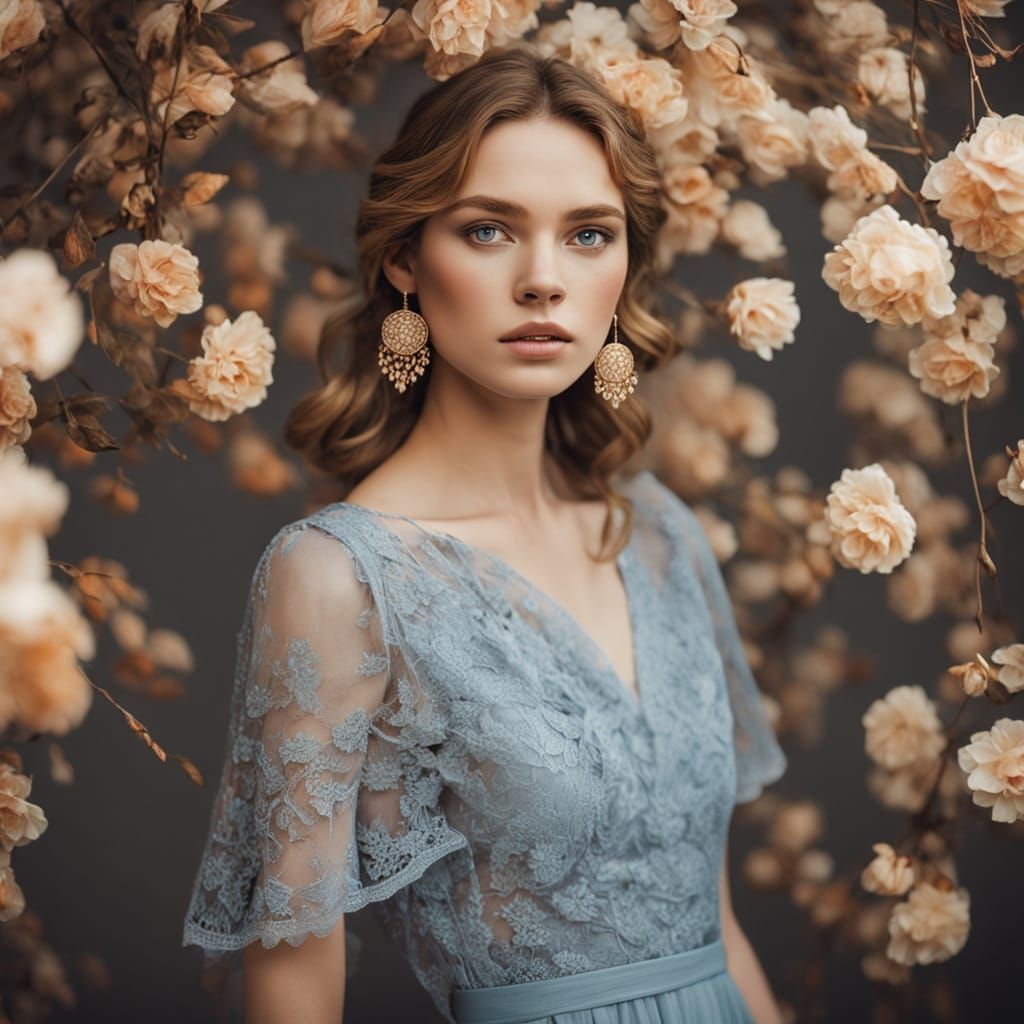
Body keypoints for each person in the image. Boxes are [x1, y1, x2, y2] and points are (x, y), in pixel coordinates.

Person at [181, 45, 788, 1024]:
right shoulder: (341, 575)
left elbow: (715, 919)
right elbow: (294, 973)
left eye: (587, 235)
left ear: (624, 267)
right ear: (405, 260)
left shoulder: (661, 537)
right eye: (488, 230)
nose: (543, 280)